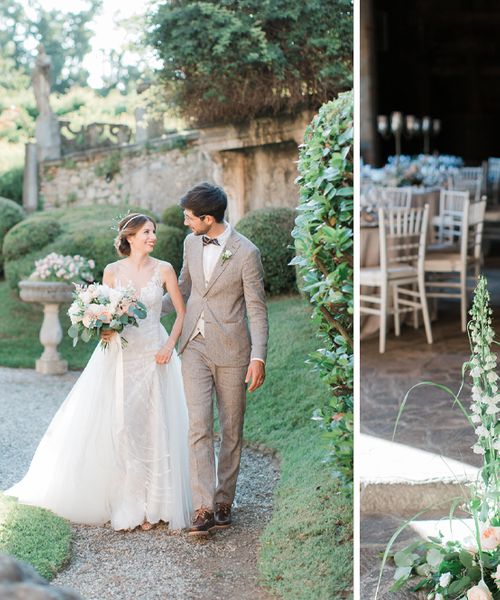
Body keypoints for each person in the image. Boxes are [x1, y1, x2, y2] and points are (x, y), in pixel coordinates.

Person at [6, 214, 192, 531]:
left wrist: (168, 346)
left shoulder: (164, 269)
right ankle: (130, 502)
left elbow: (181, 312)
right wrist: (103, 329)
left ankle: (157, 504)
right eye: (147, 232)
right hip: (122, 356)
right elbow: (105, 314)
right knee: (124, 425)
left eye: (154, 233)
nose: (153, 237)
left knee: (156, 422)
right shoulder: (112, 272)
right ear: (130, 237)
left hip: (155, 353)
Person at [162, 182, 269, 537]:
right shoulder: (190, 243)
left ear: (208, 218)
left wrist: (258, 357)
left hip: (233, 350)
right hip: (193, 345)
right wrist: (139, 306)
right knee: (198, 427)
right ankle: (204, 506)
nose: (185, 223)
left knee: (231, 428)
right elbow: (185, 289)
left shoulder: (246, 252)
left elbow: (257, 309)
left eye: (190, 217)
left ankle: (225, 499)